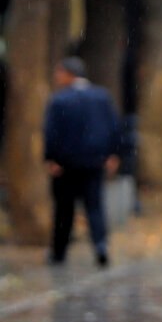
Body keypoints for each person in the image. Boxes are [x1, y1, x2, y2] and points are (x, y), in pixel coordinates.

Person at [43, 56, 122, 267]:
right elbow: (114, 126)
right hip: (94, 162)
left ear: (69, 74)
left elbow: (51, 132)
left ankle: (59, 252)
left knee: (64, 209)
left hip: (65, 164)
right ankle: (100, 245)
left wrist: (51, 158)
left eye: (59, 72)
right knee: (94, 206)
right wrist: (113, 153)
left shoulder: (59, 100)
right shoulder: (101, 97)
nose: (57, 77)